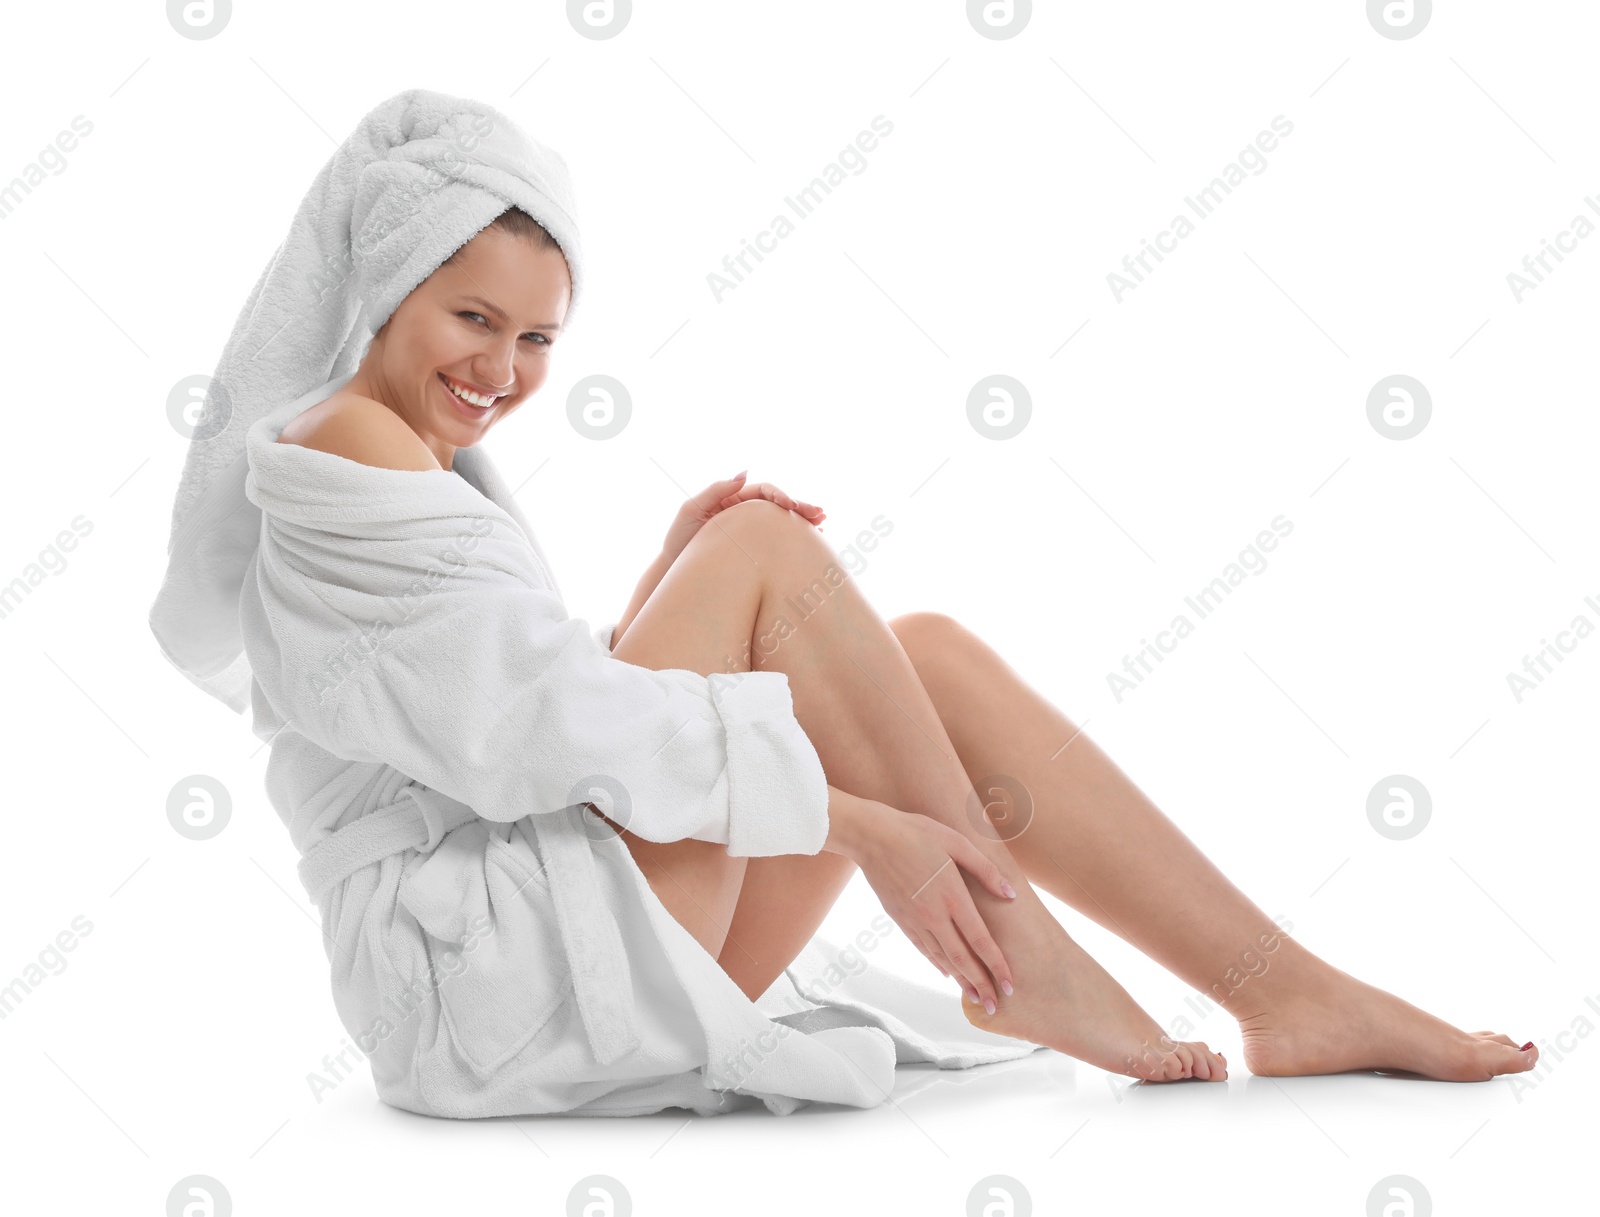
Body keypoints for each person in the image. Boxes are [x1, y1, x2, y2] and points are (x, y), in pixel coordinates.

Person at [277, 202, 1540, 1089]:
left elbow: (512, 718)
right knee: (766, 550)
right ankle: (1027, 958)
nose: (503, 366)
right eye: (474, 317)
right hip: (480, 992)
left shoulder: (404, 452)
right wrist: (872, 832)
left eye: (539, 337)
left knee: (917, 651)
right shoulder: (350, 446)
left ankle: (1288, 990)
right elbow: (538, 744)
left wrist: (665, 574)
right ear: (391, 284)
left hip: (548, 957)